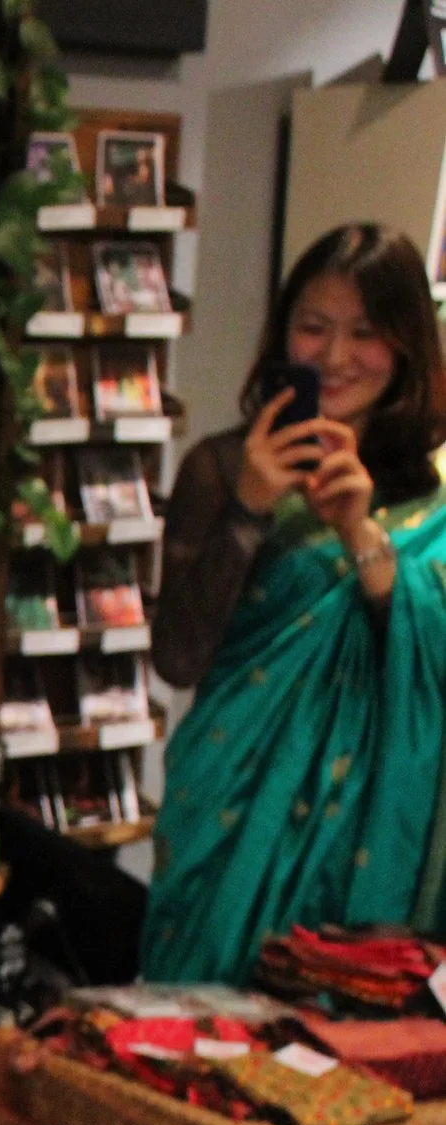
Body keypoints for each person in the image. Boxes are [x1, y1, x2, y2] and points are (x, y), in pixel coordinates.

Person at [145, 224, 446, 982]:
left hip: (364, 828)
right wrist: (248, 507)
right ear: (283, 333)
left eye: (366, 333)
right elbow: (177, 658)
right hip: (230, 808)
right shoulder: (219, 466)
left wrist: (360, 532)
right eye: (314, 327)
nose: (336, 357)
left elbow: (428, 675)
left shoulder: (430, 497)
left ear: (408, 344)